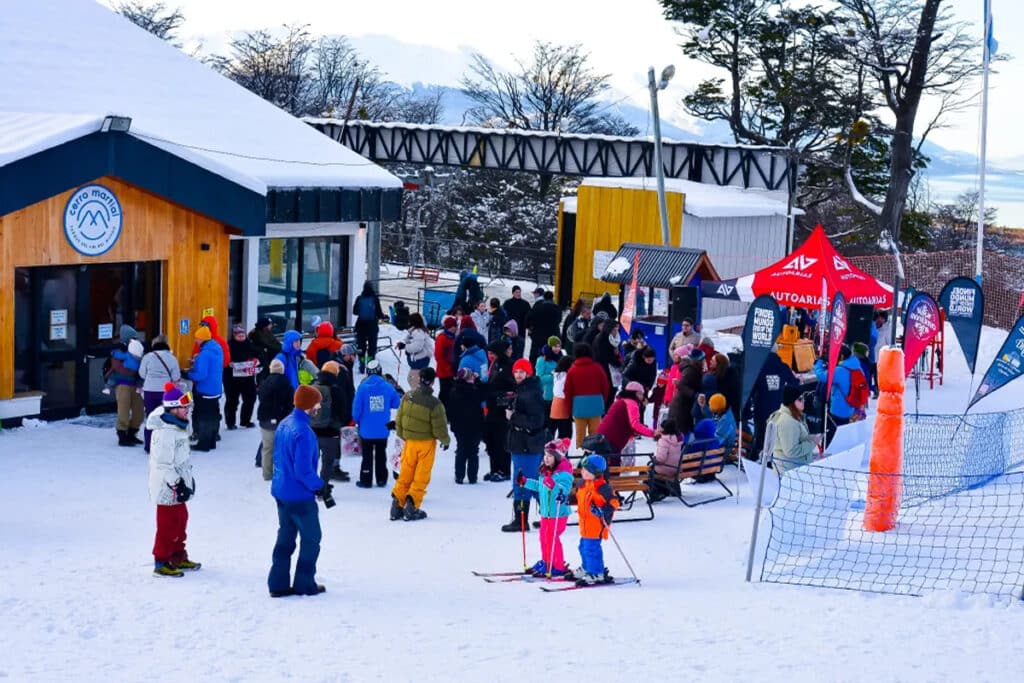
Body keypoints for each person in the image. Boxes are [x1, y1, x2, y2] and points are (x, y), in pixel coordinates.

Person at [268, 384, 331, 598]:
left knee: (285, 537)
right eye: (317, 403)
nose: (319, 406)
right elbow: (303, 470)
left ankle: (278, 583)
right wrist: (320, 485)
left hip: (281, 490)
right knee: (311, 538)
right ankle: (304, 583)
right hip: (299, 495)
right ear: (308, 406)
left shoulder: (285, 424)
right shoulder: (304, 432)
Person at [148, 382, 199, 578]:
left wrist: (187, 480)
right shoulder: (165, 431)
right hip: (167, 487)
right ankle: (161, 561)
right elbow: (163, 464)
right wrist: (177, 483)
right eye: (184, 407)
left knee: (181, 520)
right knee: (167, 524)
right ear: (173, 408)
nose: (187, 410)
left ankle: (178, 555)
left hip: (179, 485)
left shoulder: (178, 425)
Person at [389, 367, 450, 522]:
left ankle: (397, 504)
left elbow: (400, 418)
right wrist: (445, 440)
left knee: (405, 473)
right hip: (426, 443)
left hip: (409, 442)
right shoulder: (434, 404)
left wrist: (402, 434)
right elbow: (439, 427)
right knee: (421, 476)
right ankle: (412, 506)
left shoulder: (407, 396)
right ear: (433, 381)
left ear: (419, 379)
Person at [502, 358, 546, 533]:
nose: (518, 375)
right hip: (522, 444)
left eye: (522, 372)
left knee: (522, 483)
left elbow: (536, 421)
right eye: (516, 372)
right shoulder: (524, 390)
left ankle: (521, 520)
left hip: (527, 445)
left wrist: (513, 417)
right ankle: (549, 516)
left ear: (529, 373)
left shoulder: (531, 393)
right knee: (533, 482)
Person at [520, 438, 574, 578]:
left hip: (558, 513)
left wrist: (554, 486)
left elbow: (565, 489)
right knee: (544, 537)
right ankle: (547, 561)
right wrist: (525, 482)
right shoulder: (545, 471)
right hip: (546, 513)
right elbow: (539, 486)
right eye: (545, 455)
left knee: (552, 538)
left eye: (550, 456)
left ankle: (558, 565)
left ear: (557, 457)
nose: (546, 458)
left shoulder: (564, 474)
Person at [352, 360, 401, 488]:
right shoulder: (387, 387)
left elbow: (356, 409)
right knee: (381, 454)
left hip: (366, 429)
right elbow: (396, 403)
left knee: (367, 455)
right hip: (382, 429)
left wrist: (356, 420)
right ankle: (381, 479)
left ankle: (366, 479)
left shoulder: (362, 388)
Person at [573, 454, 619, 585]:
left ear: (597, 473)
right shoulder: (584, 484)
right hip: (585, 524)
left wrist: (603, 510)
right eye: (582, 469)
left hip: (596, 525)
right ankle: (586, 567)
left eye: (586, 470)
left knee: (591, 549)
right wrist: (565, 500)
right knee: (583, 547)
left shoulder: (602, 488)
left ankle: (596, 573)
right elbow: (579, 500)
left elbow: (615, 502)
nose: (582, 471)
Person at [750, 345, 798, 459]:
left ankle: (755, 457)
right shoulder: (783, 367)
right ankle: (772, 458)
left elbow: (751, 389)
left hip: (761, 406)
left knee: (760, 434)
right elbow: (795, 384)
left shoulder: (758, 367)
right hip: (778, 408)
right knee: (775, 436)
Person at [814, 344, 867, 448]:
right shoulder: (857, 367)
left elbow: (823, 376)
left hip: (839, 409)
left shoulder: (840, 370)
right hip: (853, 408)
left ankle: (828, 452)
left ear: (841, 356)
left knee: (833, 435)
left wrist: (818, 363)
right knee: (845, 434)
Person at [596, 382, 658, 464]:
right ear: (636, 393)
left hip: (603, 435)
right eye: (642, 394)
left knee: (602, 465)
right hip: (611, 439)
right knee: (612, 467)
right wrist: (653, 433)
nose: (643, 397)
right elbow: (635, 425)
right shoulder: (631, 403)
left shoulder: (621, 401)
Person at [138, 335, 181, 453]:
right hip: (166, 392)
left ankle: (149, 446)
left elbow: (141, 374)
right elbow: (176, 377)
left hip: (150, 390)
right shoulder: (172, 358)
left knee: (151, 416)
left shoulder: (147, 357)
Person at [309, 361, 350, 483]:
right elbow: (343, 412)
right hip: (330, 433)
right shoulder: (336, 390)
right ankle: (323, 488)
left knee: (311, 460)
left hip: (311, 431)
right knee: (327, 463)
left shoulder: (312, 387)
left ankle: (309, 485)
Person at [564, 343, 611, 447]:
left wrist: (569, 408)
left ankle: (580, 455)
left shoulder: (572, 370)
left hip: (578, 406)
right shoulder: (597, 368)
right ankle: (593, 456)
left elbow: (567, 391)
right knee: (594, 434)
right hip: (596, 404)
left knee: (580, 434)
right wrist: (602, 401)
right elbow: (606, 386)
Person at [186, 325, 224, 452]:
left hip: (205, 389)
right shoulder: (217, 348)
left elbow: (201, 375)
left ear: (202, 339)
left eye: (197, 339)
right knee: (213, 415)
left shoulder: (204, 354)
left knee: (204, 417)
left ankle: (204, 443)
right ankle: (212, 441)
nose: (196, 341)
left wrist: (188, 374)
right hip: (216, 388)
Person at [108, 325, 145, 447]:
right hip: (122, 384)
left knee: (139, 413)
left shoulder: (138, 349)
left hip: (136, 385)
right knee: (123, 411)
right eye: (132, 337)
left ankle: (132, 433)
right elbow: (119, 368)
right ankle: (122, 435)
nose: (135, 340)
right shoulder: (118, 351)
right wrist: (133, 366)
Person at [257, 359, 294, 482]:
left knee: (267, 448)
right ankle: (282, 474)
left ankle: (267, 474)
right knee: (283, 448)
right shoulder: (286, 383)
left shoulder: (264, 383)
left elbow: (261, 399)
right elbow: (290, 403)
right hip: (281, 419)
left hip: (265, 419)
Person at [483, 340, 514, 481]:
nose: (490, 356)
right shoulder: (494, 365)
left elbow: (511, 389)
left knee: (501, 442)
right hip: (491, 409)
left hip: (502, 410)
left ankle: (504, 470)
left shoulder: (508, 366)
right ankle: (494, 469)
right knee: (491, 441)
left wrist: (495, 396)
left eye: (492, 353)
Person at [769, 385, 819, 472]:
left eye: (803, 398)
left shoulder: (793, 416)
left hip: (793, 469)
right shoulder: (787, 422)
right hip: (791, 473)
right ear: (791, 402)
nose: (803, 401)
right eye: (799, 399)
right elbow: (791, 451)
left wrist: (810, 438)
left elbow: (797, 438)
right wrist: (812, 443)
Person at [449, 367, 485, 484]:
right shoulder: (475, 391)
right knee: (473, 452)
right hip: (475, 427)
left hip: (459, 427)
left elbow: (450, 411)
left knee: (461, 450)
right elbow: (484, 394)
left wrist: (453, 425)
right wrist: (478, 381)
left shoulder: (454, 391)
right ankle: (472, 477)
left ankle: (459, 476)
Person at [224, 324, 259, 430]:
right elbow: (224, 360)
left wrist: (255, 360)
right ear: (233, 335)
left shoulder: (250, 345)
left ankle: (245, 420)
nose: (240, 336)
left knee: (250, 398)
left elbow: (259, 356)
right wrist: (229, 363)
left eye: (242, 334)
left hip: (247, 377)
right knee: (232, 400)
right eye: (238, 334)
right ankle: (230, 422)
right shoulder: (228, 346)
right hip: (231, 378)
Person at [668, 347, 705, 434]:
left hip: (684, 405)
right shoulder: (690, 370)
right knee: (679, 435)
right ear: (699, 360)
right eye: (703, 359)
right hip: (681, 407)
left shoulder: (693, 368)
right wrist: (695, 395)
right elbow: (682, 385)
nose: (705, 361)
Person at [352, 281, 385, 372]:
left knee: (361, 347)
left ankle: (362, 363)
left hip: (361, 326)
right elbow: (379, 312)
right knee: (372, 347)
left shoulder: (359, 298)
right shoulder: (375, 299)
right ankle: (370, 364)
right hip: (372, 326)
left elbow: (355, 312)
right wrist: (383, 316)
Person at [534, 335, 564, 438]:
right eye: (555, 346)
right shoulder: (542, 360)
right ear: (550, 346)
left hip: (559, 396)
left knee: (558, 424)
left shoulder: (561, 358)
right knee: (548, 424)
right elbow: (539, 378)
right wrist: (554, 376)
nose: (557, 349)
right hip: (546, 396)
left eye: (559, 346)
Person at [526, 290, 563, 366]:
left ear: (544, 298)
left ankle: (533, 372)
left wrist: (530, 328)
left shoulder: (537, 307)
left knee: (535, 357)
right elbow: (559, 321)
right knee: (551, 357)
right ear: (552, 298)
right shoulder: (557, 308)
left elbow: (528, 319)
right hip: (552, 336)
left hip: (538, 337)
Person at [397, 312, 434, 387]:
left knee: (414, 380)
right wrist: (403, 344)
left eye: (409, 321)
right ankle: (420, 393)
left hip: (421, 359)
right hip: (419, 359)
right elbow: (409, 339)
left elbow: (417, 347)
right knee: (413, 379)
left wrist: (406, 347)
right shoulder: (414, 331)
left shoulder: (418, 332)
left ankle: (418, 396)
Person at [435, 315, 459, 409]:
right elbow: (438, 356)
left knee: (449, 392)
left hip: (451, 370)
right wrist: (448, 369)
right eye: (454, 326)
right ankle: (441, 410)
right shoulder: (442, 338)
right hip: (444, 371)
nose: (456, 328)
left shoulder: (453, 337)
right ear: (450, 327)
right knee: (444, 392)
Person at [548, 355, 574, 440]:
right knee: (566, 435)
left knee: (552, 431)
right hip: (563, 406)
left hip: (555, 405)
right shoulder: (567, 377)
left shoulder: (557, 375)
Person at [249, 317, 281, 383]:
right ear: (264, 326)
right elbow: (272, 344)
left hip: (266, 357)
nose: (271, 326)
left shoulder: (265, 332)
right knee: (264, 372)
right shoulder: (260, 334)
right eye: (270, 324)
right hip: (262, 357)